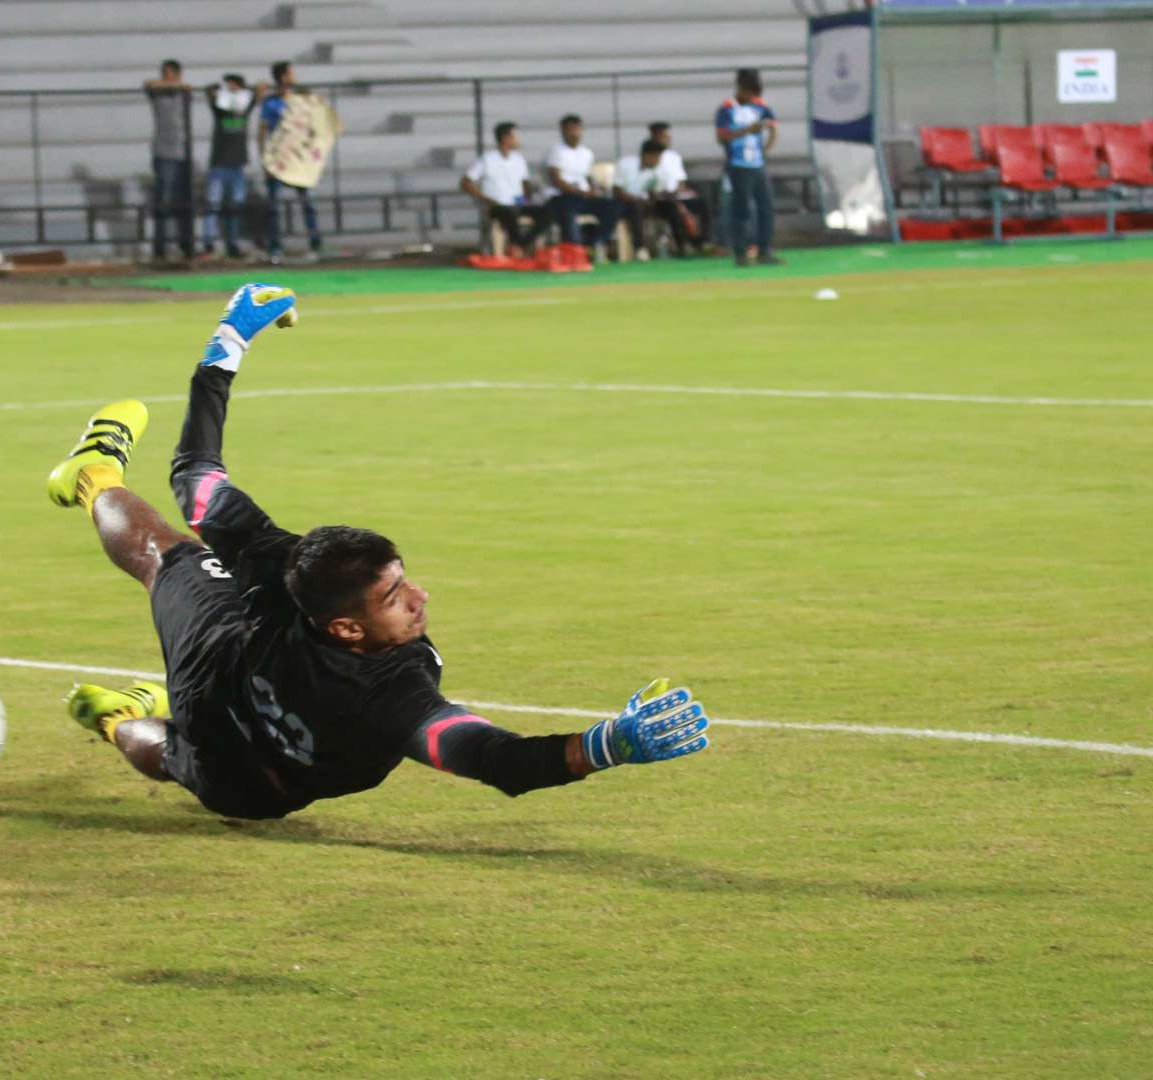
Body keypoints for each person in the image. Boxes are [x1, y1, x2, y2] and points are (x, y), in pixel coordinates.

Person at [41, 284, 711, 820]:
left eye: (404, 580)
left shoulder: (287, 563)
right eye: (395, 597)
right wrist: (608, 746)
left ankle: (95, 484)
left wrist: (229, 340)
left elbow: (195, 471)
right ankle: (116, 717)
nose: (420, 598)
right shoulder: (391, 692)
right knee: (175, 756)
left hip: (236, 695)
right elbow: (493, 758)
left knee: (165, 554)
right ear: (345, 627)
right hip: (253, 771)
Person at [257, 61, 321, 264]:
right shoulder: (271, 103)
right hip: (278, 160)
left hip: (298, 160)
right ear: (283, 77)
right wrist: (265, 159)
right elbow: (262, 131)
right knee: (273, 207)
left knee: (307, 204)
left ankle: (315, 245)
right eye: (291, 73)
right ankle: (275, 249)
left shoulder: (300, 100)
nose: (294, 77)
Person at [716, 69, 781, 267]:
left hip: (757, 164)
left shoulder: (761, 106)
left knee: (766, 208)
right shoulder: (727, 108)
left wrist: (766, 150)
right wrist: (745, 131)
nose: (753, 97)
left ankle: (765, 250)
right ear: (740, 89)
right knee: (741, 210)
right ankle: (741, 253)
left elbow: (774, 127)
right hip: (737, 165)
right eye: (749, 92)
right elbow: (721, 137)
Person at [543, 114, 620, 259]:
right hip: (563, 196)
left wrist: (594, 188)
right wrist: (580, 192)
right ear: (563, 131)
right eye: (569, 130)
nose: (574, 133)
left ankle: (592, 242)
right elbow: (557, 181)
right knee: (567, 210)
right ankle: (573, 248)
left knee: (613, 207)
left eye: (576, 129)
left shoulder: (587, 153)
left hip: (584, 196)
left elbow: (587, 176)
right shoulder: (556, 152)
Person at [460, 121, 542, 256]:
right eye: (515, 136)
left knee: (546, 213)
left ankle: (522, 244)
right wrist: (486, 199)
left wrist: (527, 198)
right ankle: (517, 247)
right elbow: (466, 183)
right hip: (496, 206)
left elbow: (525, 183)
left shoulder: (519, 159)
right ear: (505, 138)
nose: (517, 140)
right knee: (508, 213)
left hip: (518, 204)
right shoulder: (487, 159)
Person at [201, 73, 259, 259]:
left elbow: (257, 94)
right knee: (213, 205)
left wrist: (246, 91)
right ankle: (209, 243)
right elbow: (209, 91)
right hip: (218, 164)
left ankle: (232, 243)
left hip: (237, 165)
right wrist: (222, 89)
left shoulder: (244, 110)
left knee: (235, 207)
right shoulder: (220, 110)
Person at [144, 59, 195, 263]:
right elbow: (149, 84)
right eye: (165, 73)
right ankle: (160, 249)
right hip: (164, 152)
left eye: (171, 74)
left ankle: (186, 245)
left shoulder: (183, 92)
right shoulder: (158, 92)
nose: (168, 78)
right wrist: (173, 84)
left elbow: (188, 88)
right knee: (163, 201)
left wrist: (179, 86)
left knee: (184, 201)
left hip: (184, 151)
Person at [646, 122, 712, 256]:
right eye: (663, 136)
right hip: (660, 200)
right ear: (654, 136)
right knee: (673, 210)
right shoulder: (648, 155)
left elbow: (681, 179)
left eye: (667, 136)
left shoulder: (673, 157)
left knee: (702, 206)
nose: (667, 138)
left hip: (676, 196)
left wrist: (678, 190)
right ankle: (683, 246)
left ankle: (702, 242)